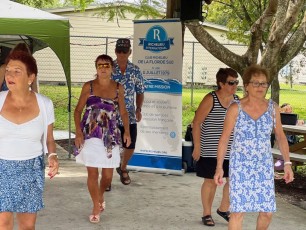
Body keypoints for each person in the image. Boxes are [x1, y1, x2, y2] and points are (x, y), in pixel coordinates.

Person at [214, 65, 294, 230]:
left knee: (267, 212)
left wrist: (287, 163)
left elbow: (280, 135)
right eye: (256, 83)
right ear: (247, 86)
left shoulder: (273, 108)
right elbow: (224, 139)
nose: (260, 87)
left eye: (264, 84)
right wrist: (219, 167)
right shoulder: (235, 108)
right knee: (237, 212)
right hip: (240, 166)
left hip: (263, 166)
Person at [0, 50, 59, 229]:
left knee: (27, 225)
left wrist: (53, 156)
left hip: (31, 168)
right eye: (8, 70)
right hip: (1, 167)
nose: (10, 75)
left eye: (17, 71)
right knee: (3, 224)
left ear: (30, 77)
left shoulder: (45, 103)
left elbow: (49, 139)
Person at [74, 54, 131, 223]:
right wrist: (78, 132)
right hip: (90, 134)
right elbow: (78, 111)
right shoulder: (88, 87)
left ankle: (100, 196)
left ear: (112, 68)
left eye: (106, 65)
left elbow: (123, 112)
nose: (103, 68)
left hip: (110, 135)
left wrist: (127, 131)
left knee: (107, 175)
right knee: (92, 173)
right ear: (96, 68)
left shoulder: (118, 88)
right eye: (100, 65)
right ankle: (95, 206)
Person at [192, 68, 239, 226]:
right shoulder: (211, 98)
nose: (235, 85)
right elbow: (196, 123)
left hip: (231, 149)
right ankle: (207, 213)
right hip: (210, 148)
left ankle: (223, 209)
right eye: (231, 82)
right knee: (211, 181)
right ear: (221, 83)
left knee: (233, 180)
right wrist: (197, 146)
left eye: (236, 82)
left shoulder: (238, 100)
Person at [111, 38, 145, 187]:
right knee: (109, 146)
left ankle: (123, 167)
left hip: (129, 114)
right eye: (119, 51)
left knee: (129, 146)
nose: (121, 54)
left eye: (124, 51)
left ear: (130, 52)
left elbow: (140, 91)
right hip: (110, 114)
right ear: (115, 51)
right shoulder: (108, 67)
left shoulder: (135, 70)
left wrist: (138, 109)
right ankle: (107, 177)